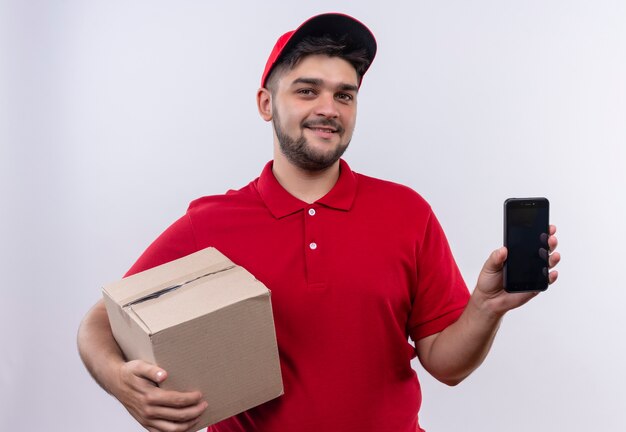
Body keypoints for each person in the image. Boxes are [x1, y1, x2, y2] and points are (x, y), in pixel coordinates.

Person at [77, 13, 561, 432]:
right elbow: (100, 321)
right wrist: (123, 384)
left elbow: (446, 365)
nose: (328, 109)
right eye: (307, 91)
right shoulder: (212, 224)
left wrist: (485, 307)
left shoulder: (407, 212)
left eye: (344, 96)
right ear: (267, 104)